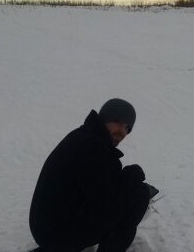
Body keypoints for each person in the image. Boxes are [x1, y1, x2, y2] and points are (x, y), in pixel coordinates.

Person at [29, 98, 150, 252]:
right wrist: (130, 177)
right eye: (118, 122)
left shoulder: (86, 138)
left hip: (49, 229)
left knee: (128, 191)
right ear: (105, 118)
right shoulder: (92, 148)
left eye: (127, 128)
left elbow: (101, 185)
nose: (122, 132)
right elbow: (105, 204)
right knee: (139, 194)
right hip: (55, 235)